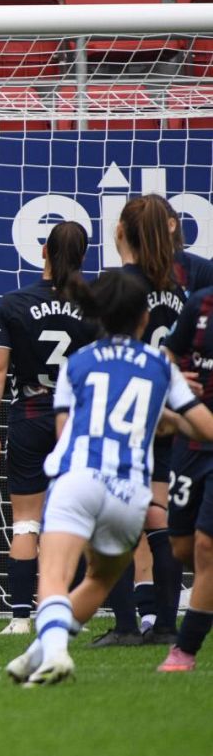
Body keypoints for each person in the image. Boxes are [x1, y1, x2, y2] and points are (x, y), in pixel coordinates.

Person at [5, 270, 213, 686]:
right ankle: (35, 656)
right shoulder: (160, 365)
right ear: (144, 319)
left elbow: (65, 433)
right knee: (100, 579)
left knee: (55, 575)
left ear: (98, 317)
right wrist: (165, 422)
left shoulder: (77, 364)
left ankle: (57, 653)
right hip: (131, 493)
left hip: (80, 477)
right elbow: (204, 428)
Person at [0, 222, 96, 635]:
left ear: (43, 251)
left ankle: (19, 618)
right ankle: (73, 605)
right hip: (78, 414)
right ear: (83, 255)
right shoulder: (96, 303)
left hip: (29, 411)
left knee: (26, 520)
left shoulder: (13, 303)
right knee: (76, 514)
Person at [100, 196, 197, 646]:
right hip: (174, 407)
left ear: (122, 232)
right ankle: (164, 625)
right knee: (160, 515)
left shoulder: (120, 282)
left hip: (129, 405)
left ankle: (123, 625)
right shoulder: (187, 279)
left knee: (113, 516)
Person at [157, 282, 213, 671]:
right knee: (182, 546)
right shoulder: (201, 303)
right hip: (191, 442)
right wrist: (176, 380)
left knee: (208, 547)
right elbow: (168, 353)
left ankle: (184, 650)